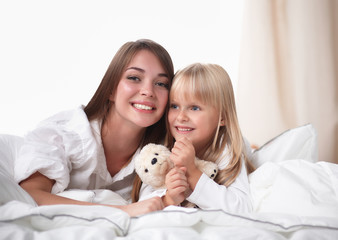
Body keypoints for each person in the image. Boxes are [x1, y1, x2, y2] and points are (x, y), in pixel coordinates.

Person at [14, 39, 174, 217]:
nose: (148, 91)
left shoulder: (161, 154)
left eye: (161, 83)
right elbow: (30, 195)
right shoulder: (67, 134)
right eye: (134, 78)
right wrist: (122, 211)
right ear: (111, 89)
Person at [138, 63, 255, 213]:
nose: (181, 117)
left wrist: (193, 172)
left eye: (194, 108)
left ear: (223, 117)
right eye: (174, 106)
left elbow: (241, 208)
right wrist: (168, 198)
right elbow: (143, 203)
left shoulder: (226, 148)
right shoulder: (163, 148)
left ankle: (253, 148)